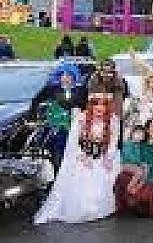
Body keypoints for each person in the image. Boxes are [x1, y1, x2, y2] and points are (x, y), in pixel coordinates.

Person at [34, 93, 120, 224]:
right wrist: (82, 156)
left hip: (103, 155)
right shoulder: (81, 118)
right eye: (96, 104)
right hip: (83, 154)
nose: (100, 108)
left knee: (107, 170)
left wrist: (109, 156)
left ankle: (103, 207)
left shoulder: (113, 120)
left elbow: (113, 141)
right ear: (91, 105)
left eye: (103, 105)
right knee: (83, 173)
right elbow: (73, 142)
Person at [29, 63, 88, 170]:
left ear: (74, 77)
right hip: (54, 126)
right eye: (63, 75)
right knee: (55, 151)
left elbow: (85, 107)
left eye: (69, 75)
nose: (65, 78)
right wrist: (32, 117)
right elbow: (36, 101)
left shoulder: (81, 91)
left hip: (74, 128)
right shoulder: (51, 89)